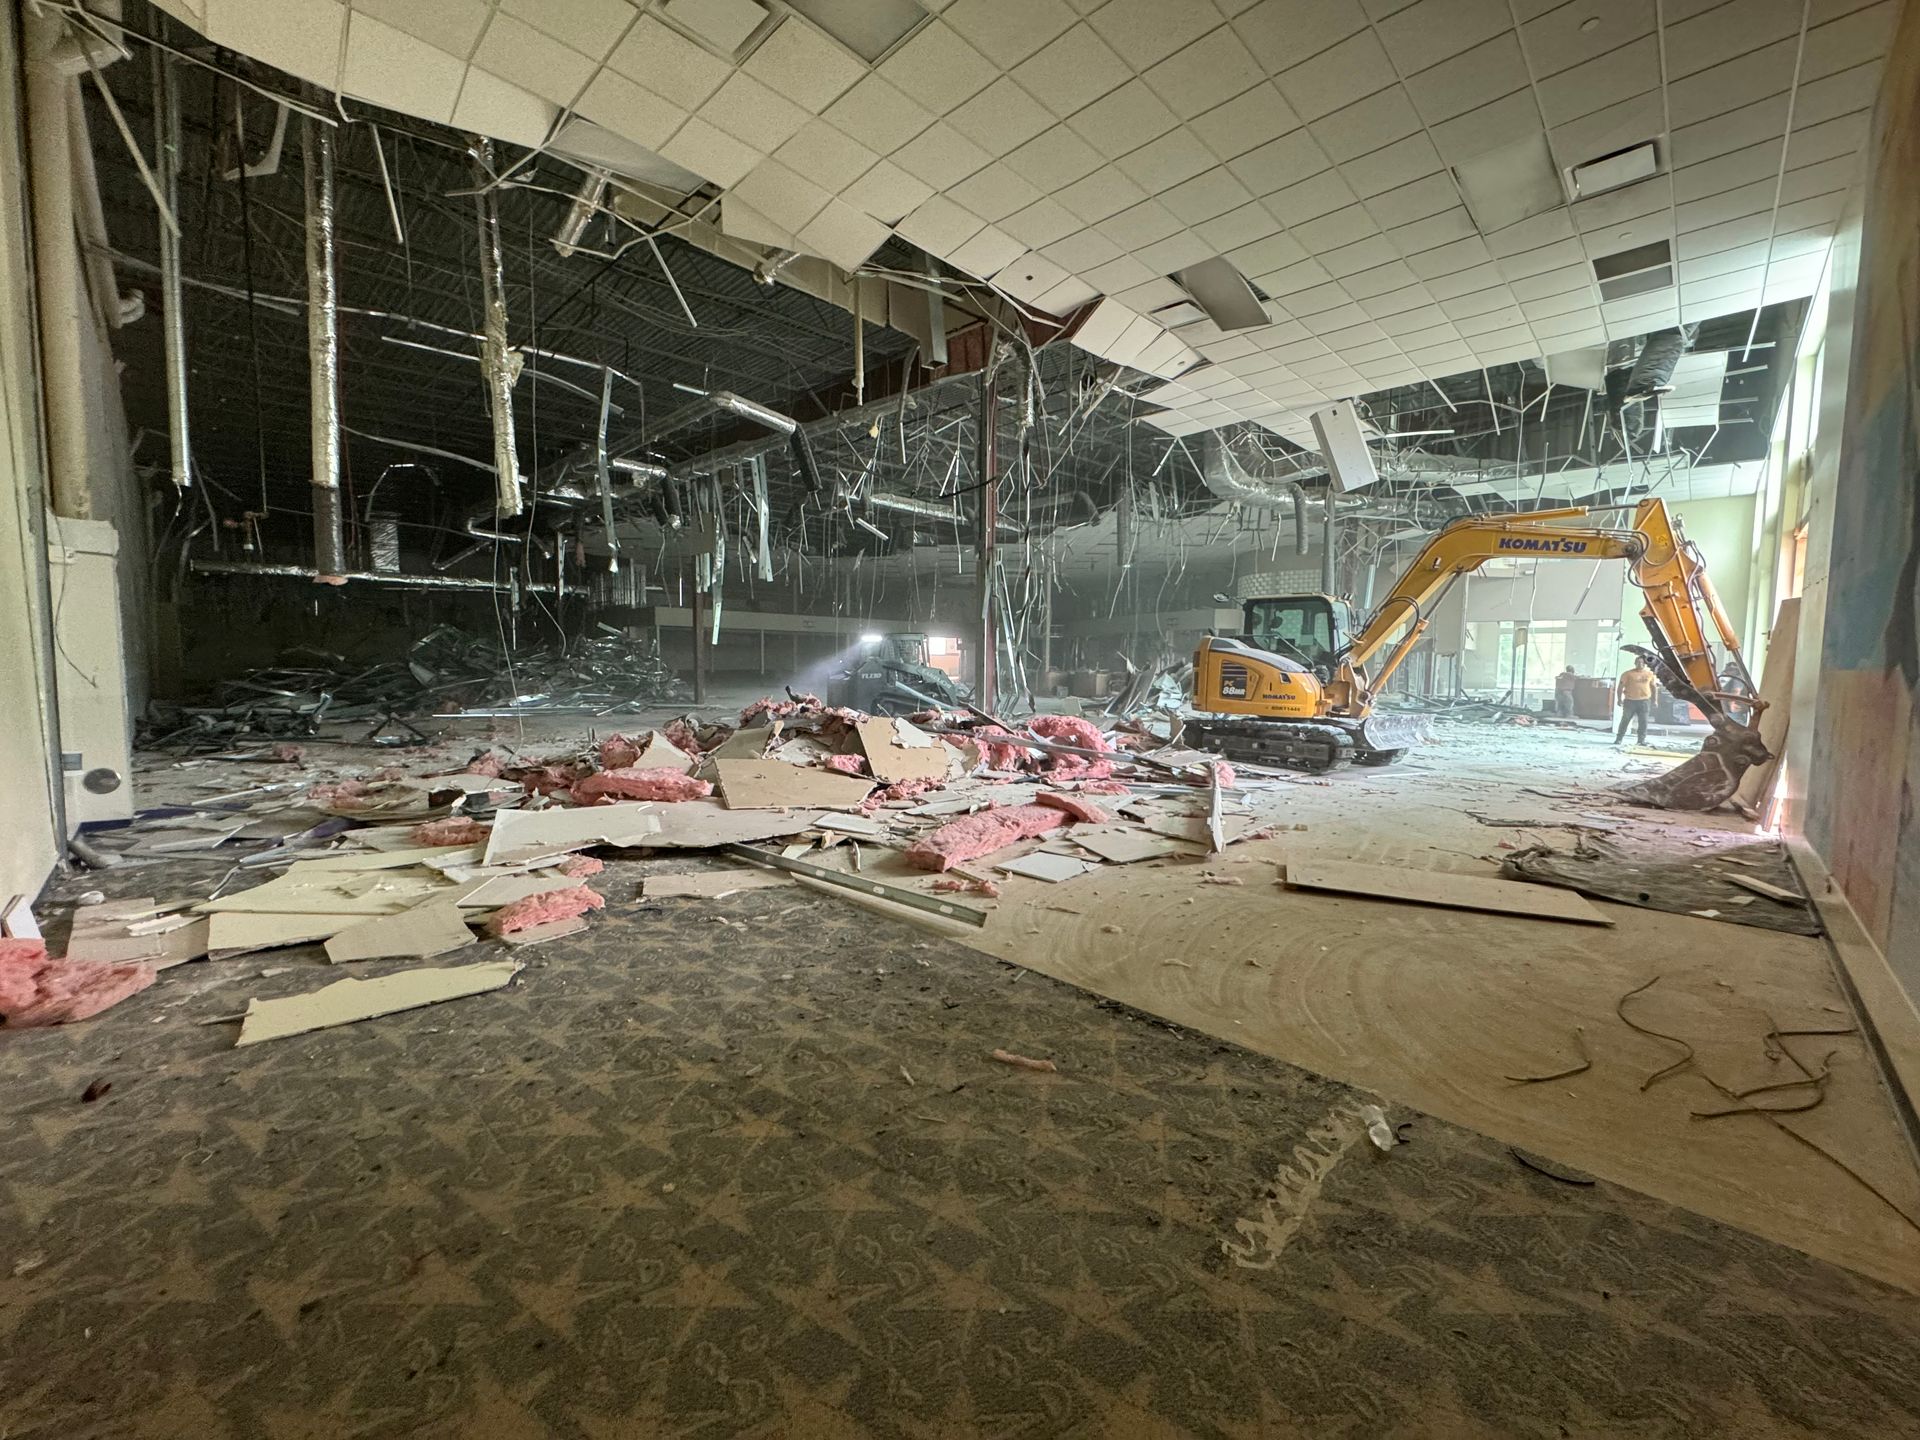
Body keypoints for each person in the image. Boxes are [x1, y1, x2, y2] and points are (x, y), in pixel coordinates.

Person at [1615, 658, 1655, 744]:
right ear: (1635, 663)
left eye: (1641, 662)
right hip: (1630, 701)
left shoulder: (1649, 674)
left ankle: (1641, 740)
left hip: (1644, 701)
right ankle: (1619, 738)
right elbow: (1620, 687)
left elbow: (1654, 687)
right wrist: (1619, 699)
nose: (1640, 664)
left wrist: (1655, 700)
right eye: (1638, 662)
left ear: (1644, 664)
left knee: (1643, 721)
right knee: (1625, 720)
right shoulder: (1627, 674)